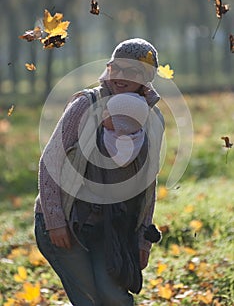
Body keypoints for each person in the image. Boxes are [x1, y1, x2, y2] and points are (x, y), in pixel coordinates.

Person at [34, 38, 164, 306]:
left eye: (134, 71)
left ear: (147, 78)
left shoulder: (153, 120)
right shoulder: (85, 104)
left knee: (114, 297)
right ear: (109, 68)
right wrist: (55, 221)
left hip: (110, 230)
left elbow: (147, 185)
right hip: (64, 221)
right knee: (89, 300)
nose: (122, 76)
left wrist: (143, 240)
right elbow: (50, 162)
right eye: (118, 68)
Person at [102, 92, 149, 167]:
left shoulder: (99, 138)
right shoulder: (140, 140)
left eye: (109, 115)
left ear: (120, 124)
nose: (103, 115)